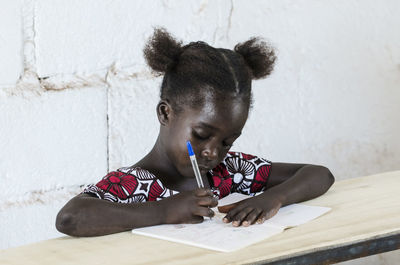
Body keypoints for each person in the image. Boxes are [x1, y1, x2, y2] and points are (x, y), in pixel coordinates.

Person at [56, 28, 335, 237]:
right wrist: (164, 211)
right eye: (202, 135)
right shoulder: (132, 184)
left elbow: (319, 174)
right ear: (166, 113)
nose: (213, 152)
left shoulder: (230, 172)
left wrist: (272, 198)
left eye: (227, 141)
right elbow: (70, 218)